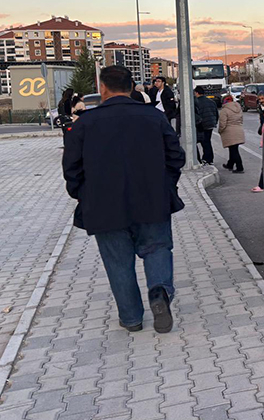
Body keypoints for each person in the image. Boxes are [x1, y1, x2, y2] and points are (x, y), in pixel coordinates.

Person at [62, 65, 185, 333]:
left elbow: (71, 169)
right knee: (157, 249)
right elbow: (176, 157)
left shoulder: (85, 123)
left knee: (118, 263)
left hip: (104, 206)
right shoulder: (154, 117)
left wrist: (84, 195)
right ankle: (160, 292)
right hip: (152, 200)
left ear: (102, 88)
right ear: (130, 88)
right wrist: (165, 186)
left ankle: (131, 319)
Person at [219, 95, 245, 173]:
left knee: (234, 150)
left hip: (229, 131)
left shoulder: (224, 110)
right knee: (233, 148)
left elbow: (222, 123)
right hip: (238, 129)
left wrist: (220, 130)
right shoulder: (239, 108)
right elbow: (241, 120)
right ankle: (230, 164)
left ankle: (240, 167)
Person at [194, 86, 218, 165]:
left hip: (202, 125)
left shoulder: (196, 102)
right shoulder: (211, 101)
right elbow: (216, 113)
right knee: (207, 141)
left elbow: (197, 114)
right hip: (210, 124)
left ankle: (205, 159)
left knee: (202, 142)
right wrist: (214, 122)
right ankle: (209, 158)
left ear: (197, 93)